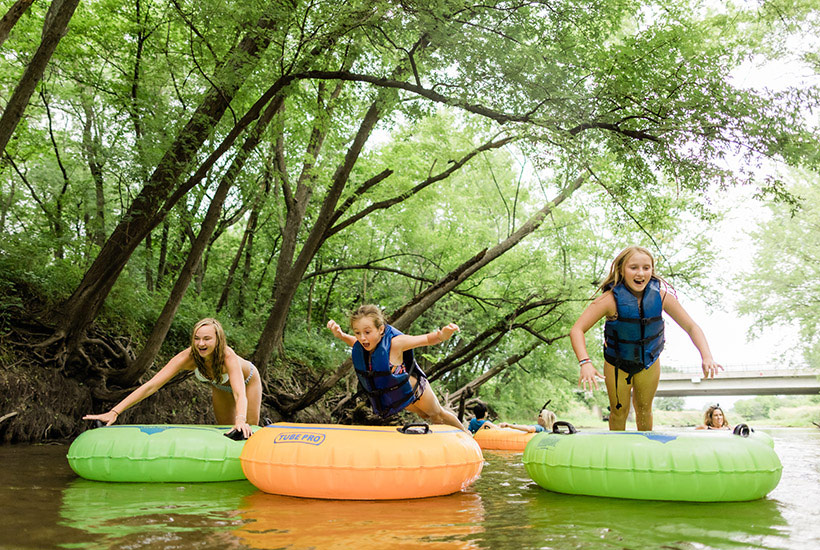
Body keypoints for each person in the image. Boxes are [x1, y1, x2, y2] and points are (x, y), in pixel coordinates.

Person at [571, 246, 722, 431]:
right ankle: (618, 454)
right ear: (621, 270)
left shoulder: (661, 297)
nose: (640, 273)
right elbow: (577, 329)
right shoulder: (609, 300)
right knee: (619, 410)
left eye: (646, 268)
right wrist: (585, 362)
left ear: (652, 270)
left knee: (644, 410)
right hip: (617, 363)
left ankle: (644, 449)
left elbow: (691, 326)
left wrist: (706, 356)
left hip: (649, 361)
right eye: (633, 267)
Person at [83, 318, 261, 439]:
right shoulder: (188, 357)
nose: (201, 343)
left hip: (248, 382)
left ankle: (264, 430)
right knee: (227, 431)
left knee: (247, 427)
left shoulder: (227, 356)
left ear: (218, 340)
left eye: (207, 339)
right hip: (220, 387)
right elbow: (151, 386)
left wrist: (240, 420)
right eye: (197, 338)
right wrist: (114, 412)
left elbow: (239, 394)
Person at [327, 304, 467, 432]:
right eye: (357, 333)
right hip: (400, 397)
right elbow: (352, 341)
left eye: (367, 332)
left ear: (381, 329)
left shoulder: (396, 343)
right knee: (423, 415)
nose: (362, 338)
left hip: (417, 391)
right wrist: (340, 335)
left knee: (438, 416)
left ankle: (467, 436)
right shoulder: (363, 346)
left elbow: (427, 339)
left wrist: (442, 335)